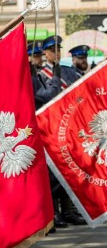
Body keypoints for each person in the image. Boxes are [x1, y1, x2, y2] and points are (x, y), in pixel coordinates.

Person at [38, 35, 85, 227]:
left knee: (69, 166)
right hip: (51, 127)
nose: (56, 53)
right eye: (52, 50)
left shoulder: (68, 72)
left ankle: (69, 210)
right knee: (53, 170)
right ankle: (55, 211)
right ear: (46, 53)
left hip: (69, 126)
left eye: (58, 50)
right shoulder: (42, 74)